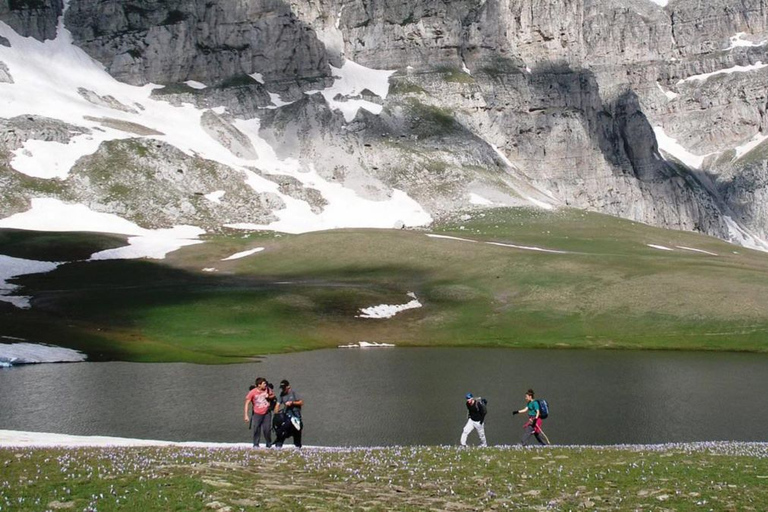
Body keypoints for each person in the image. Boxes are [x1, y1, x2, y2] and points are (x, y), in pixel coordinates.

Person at [244, 377, 275, 448]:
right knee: (256, 429)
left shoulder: (268, 389)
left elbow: (273, 395)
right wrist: (246, 415)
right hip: (257, 413)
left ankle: (268, 444)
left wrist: (268, 396)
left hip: (267, 413)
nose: (265, 385)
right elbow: (247, 403)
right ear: (259, 385)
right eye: (264, 383)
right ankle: (256, 444)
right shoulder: (252, 392)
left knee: (267, 429)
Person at [274, 379, 303, 448]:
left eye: (284, 388)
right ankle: (278, 444)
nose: (283, 390)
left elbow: (301, 402)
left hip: (296, 415)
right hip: (287, 415)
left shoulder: (293, 392)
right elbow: (277, 404)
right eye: (282, 388)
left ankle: (297, 445)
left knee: (297, 430)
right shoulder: (281, 394)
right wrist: (276, 415)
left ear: (288, 387)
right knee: (282, 429)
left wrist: (292, 403)